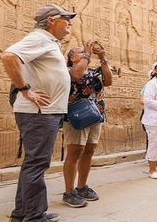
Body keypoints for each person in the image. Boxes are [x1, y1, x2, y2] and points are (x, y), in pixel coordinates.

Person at [1, 4, 76, 222]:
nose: (69, 22)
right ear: (51, 20)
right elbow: (8, 57)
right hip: (39, 113)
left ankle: (23, 213)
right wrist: (26, 90)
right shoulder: (40, 38)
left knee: (33, 163)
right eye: (66, 18)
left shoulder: (48, 41)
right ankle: (34, 217)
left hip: (44, 112)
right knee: (37, 164)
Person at [62, 41, 113, 207]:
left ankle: (82, 186)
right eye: (79, 52)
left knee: (89, 150)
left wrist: (103, 57)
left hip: (96, 114)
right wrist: (88, 54)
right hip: (77, 115)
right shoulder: (68, 71)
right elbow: (76, 77)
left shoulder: (93, 72)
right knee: (75, 151)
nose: (84, 53)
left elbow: (108, 81)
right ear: (72, 59)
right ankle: (69, 192)